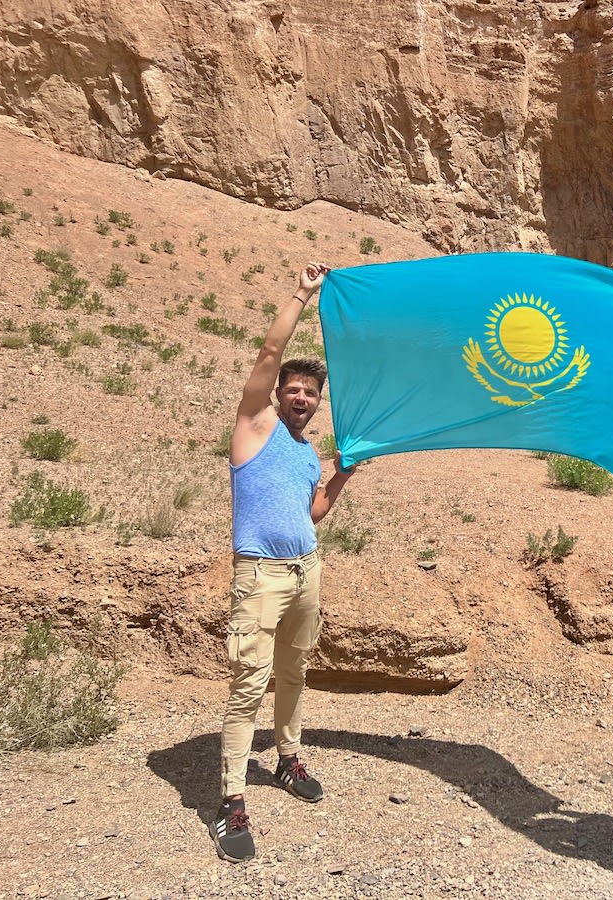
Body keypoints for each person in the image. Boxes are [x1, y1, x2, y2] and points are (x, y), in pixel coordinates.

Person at [209, 262, 357, 863]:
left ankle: (288, 757)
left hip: (305, 570)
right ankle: (230, 802)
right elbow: (271, 350)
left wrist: (343, 471)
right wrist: (303, 293)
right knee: (248, 684)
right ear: (276, 394)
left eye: (310, 393)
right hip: (260, 574)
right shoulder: (253, 427)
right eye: (293, 389)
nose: (301, 396)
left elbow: (313, 510)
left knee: (294, 674)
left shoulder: (304, 450)